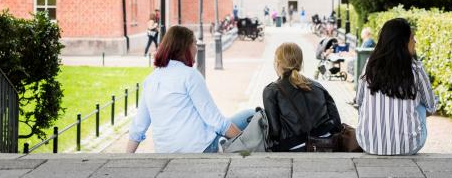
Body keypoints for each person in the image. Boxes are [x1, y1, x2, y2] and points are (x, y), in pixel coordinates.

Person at [127, 26, 255, 153]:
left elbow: (138, 126)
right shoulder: (190, 75)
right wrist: (244, 144)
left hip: (165, 151)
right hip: (201, 148)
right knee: (253, 115)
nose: (197, 48)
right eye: (194, 43)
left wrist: (125, 158)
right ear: (185, 47)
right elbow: (216, 121)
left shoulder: (150, 79)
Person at [356, 18, 437, 155]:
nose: (415, 41)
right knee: (422, 106)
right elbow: (432, 106)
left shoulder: (370, 65)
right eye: (412, 37)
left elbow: (359, 101)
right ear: (402, 42)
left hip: (368, 144)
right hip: (409, 146)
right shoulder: (415, 68)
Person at [263, 42, 342, 152]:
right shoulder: (318, 86)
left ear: (278, 63)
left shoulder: (271, 91)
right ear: (300, 62)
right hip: (326, 142)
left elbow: (275, 132)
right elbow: (337, 122)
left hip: (294, 146)